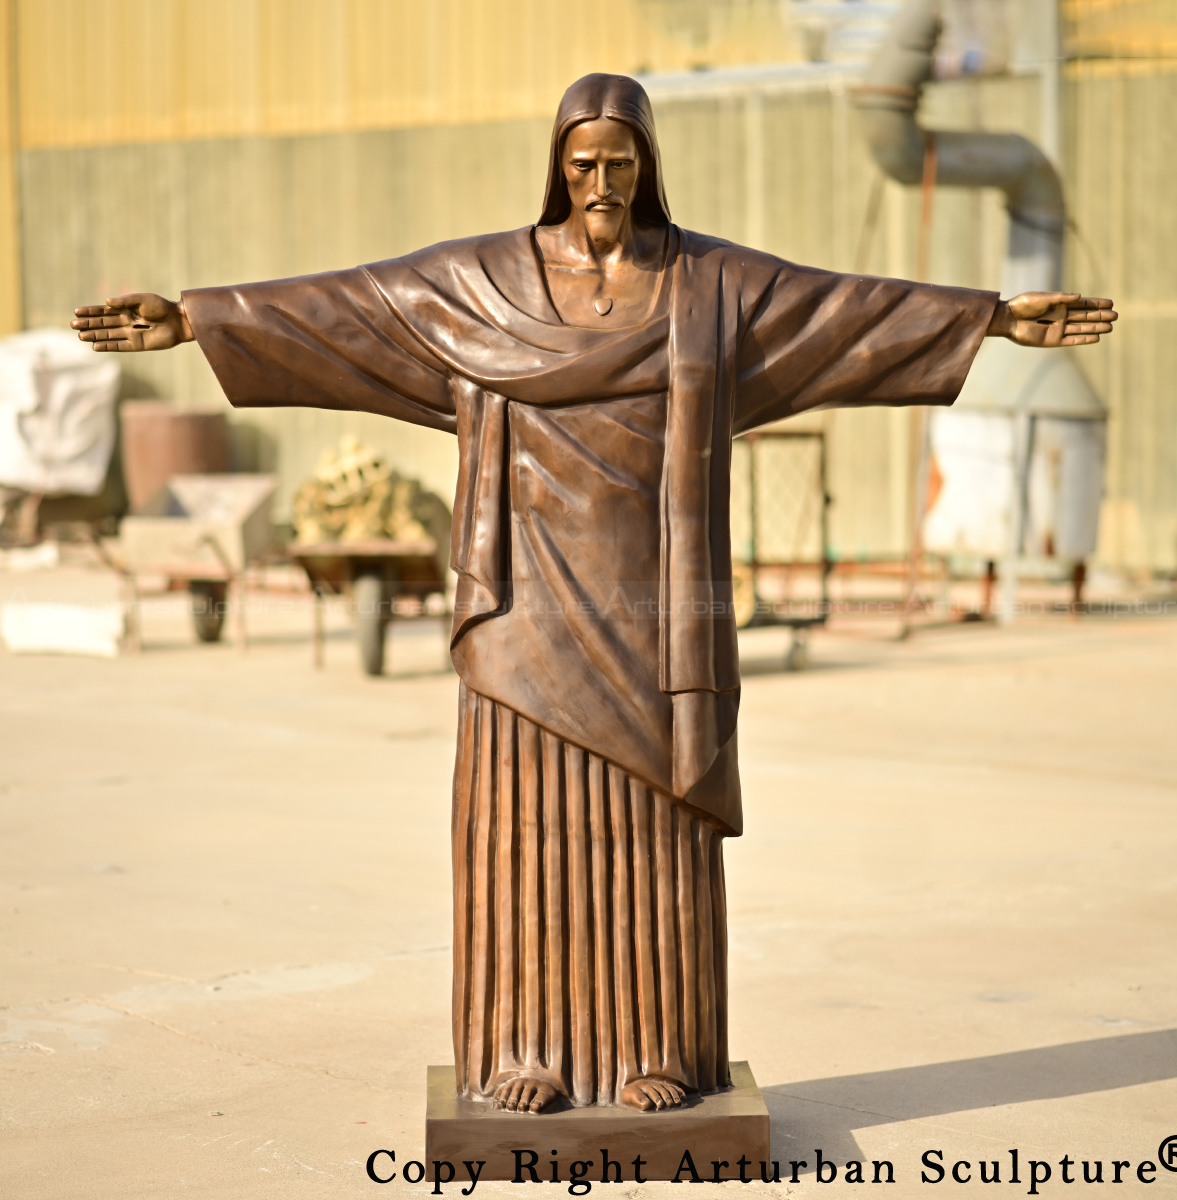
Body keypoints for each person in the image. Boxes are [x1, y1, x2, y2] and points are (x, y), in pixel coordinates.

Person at [72, 73, 1116, 1114]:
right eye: (584, 163)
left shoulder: (708, 288)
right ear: (557, 166)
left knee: (649, 833)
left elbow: (844, 313)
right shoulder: (480, 287)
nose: (603, 182)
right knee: (524, 830)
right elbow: (345, 309)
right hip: (524, 598)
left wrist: (993, 321)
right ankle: (522, 1048)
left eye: (622, 163)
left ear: (648, 166)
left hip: (653, 607)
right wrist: (193, 320)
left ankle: (654, 1050)